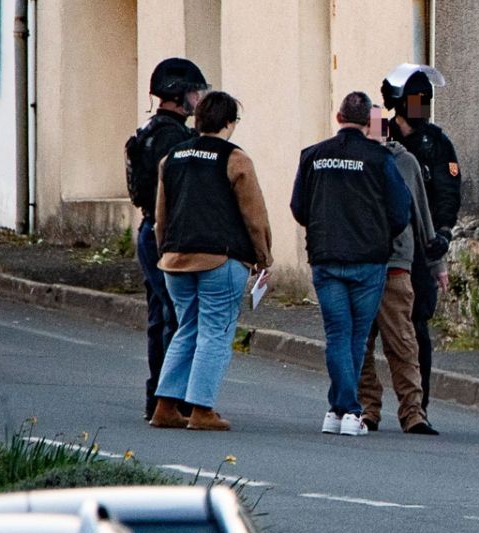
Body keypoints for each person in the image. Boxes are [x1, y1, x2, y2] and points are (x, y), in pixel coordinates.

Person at [149, 91, 272, 431]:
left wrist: (164, 250)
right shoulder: (235, 159)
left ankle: (165, 405)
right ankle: (202, 409)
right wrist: (263, 256)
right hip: (221, 257)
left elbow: (163, 214)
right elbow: (254, 215)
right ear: (229, 122)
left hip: (175, 257)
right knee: (216, 332)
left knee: (186, 327)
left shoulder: (171, 158)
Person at [292, 92, 411, 437]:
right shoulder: (379, 158)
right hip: (369, 260)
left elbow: (299, 207)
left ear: (338, 116)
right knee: (356, 338)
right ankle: (349, 410)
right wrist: (378, 232)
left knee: (337, 335)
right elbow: (400, 211)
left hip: (326, 256)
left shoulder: (312, 156)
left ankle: (336, 408)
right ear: (366, 123)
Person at [125, 57, 208, 421]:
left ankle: (158, 396)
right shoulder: (176, 140)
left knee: (160, 317)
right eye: (192, 92)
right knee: (179, 316)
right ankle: (172, 399)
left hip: (148, 229)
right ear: (177, 95)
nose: (197, 99)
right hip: (166, 232)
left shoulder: (147, 132)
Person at [357, 106, 448, 436]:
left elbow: (422, 214)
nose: (376, 133)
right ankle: (368, 409)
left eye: (381, 127)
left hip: (397, 264)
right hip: (359, 265)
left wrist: (437, 263)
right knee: (361, 344)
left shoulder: (404, 162)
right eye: (370, 126)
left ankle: (413, 412)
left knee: (404, 343)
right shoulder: (352, 162)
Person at [382, 64, 460, 418]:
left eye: (426, 100)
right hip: (380, 247)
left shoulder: (437, 143)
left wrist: (443, 233)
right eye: (415, 100)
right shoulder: (379, 139)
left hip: (419, 249)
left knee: (418, 327)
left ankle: (418, 405)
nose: (422, 107)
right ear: (397, 103)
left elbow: (448, 190)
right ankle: (363, 406)